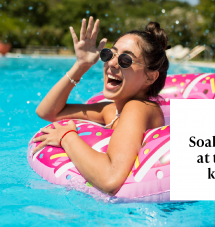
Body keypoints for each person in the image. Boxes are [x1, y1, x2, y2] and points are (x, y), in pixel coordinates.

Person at [32, 17, 169, 195]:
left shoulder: (138, 108)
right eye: (109, 54)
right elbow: (47, 112)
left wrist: (66, 137)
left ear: (150, 77)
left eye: (126, 60)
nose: (111, 63)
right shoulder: (110, 110)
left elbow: (110, 179)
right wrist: (81, 65)